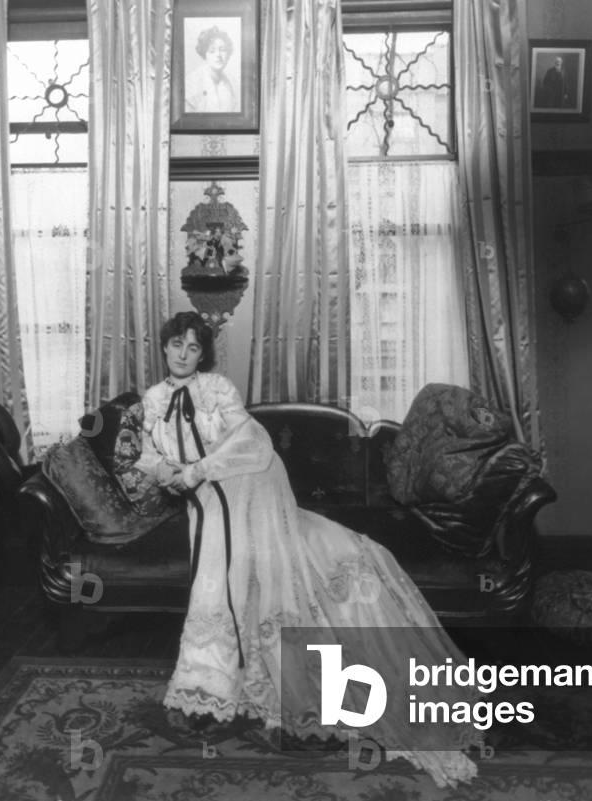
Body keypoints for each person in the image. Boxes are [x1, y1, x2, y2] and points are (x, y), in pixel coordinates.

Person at [134, 312, 483, 788]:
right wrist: (165, 472)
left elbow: (250, 442)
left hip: (248, 484)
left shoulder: (218, 390)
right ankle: (210, 684)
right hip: (206, 503)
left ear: (203, 355)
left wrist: (194, 471)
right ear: (164, 346)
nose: (181, 354)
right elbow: (147, 454)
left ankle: (261, 675)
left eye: (192, 348)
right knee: (216, 580)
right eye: (175, 344)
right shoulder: (152, 401)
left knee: (275, 568)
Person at [184, 26, 238, 113]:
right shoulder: (191, 82)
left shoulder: (228, 84)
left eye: (222, 50)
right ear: (205, 54)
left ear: (228, 54)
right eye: (212, 50)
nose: (218, 55)